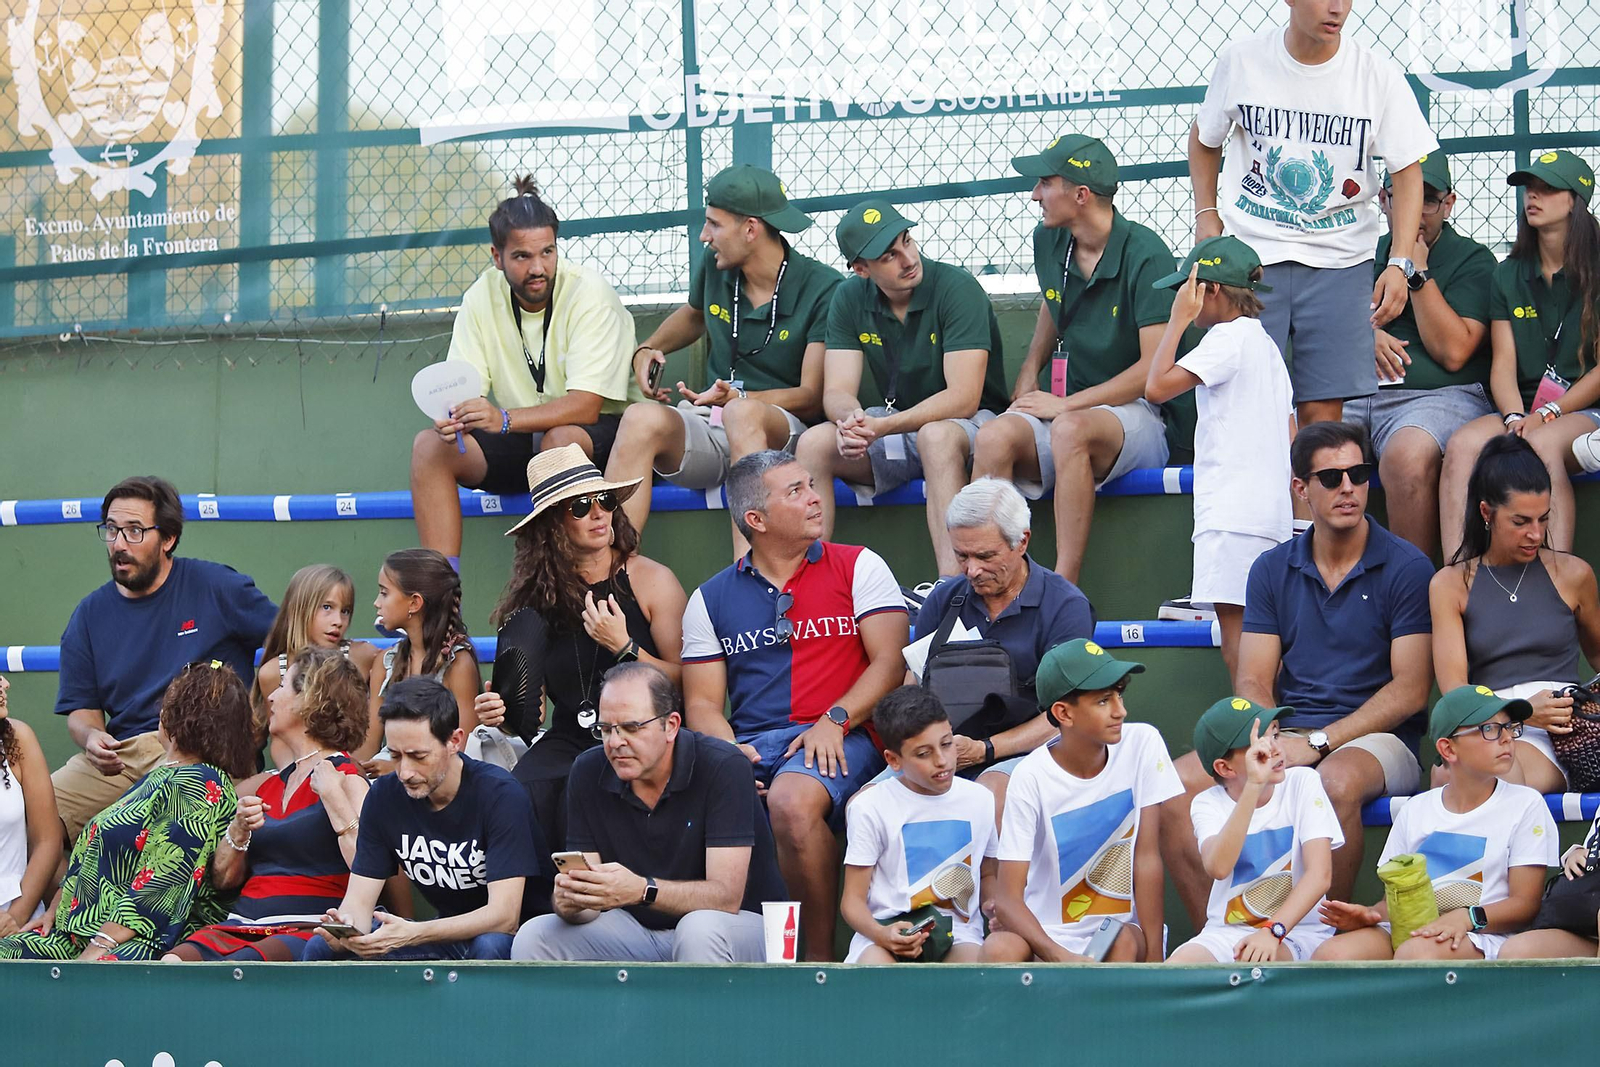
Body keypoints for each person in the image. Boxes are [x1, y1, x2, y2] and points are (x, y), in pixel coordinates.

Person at [1165, 421, 1434, 924]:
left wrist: (1317, 744)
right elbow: (1253, 680)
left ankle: (1317, 938)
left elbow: (1411, 691)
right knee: (1176, 787)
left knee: (1333, 783)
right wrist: (1264, 742)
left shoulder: (1407, 567)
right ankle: (1223, 941)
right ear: (1301, 489)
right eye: (1330, 478)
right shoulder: (1271, 568)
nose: (1348, 487)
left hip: (1379, 738)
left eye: (1358, 474)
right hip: (1289, 729)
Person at [681, 450, 909, 960]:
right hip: (754, 743)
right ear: (756, 521)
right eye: (796, 492)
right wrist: (726, 753)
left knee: (789, 802)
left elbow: (890, 664)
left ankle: (815, 962)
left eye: (811, 484)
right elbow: (700, 704)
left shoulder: (859, 564)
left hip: (846, 731)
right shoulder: (709, 598)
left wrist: (837, 717)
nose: (814, 498)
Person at [1190, 0, 1437, 430]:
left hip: (1340, 261)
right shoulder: (1243, 60)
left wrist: (1400, 260)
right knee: (1246, 412)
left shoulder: (1375, 74)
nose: (1337, 8)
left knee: (1321, 422)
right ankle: (1266, 500)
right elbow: (1204, 137)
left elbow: (1407, 170)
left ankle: (1309, 498)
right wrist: (1206, 214)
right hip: (1251, 258)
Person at [974, 133, 1197, 584]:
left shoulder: (1146, 252)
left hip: (1138, 416)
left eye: (1044, 182)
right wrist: (1028, 373)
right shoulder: (1050, 239)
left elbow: (1154, 368)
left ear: (1080, 195)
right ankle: (991, 579)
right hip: (1067, 409)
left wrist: (1067, 405)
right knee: (994, 437)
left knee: (1071, 430)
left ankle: (1063, 589)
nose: (1035, 193)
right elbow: (1053, 303)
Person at [608, 165, 842, 553]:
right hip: (715, 423)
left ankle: (750, 580)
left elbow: (811, 395)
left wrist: (743, 402)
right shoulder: (717, 267)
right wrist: (648, 346)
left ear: (751, 229)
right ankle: (609, 576)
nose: (704, 236)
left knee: (742, 415)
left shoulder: (824, 288)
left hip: (783, 436)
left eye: (714, 225)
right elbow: (695, 313)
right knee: (639, 418)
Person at [410, 175, 641, 566]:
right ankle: (440, 607)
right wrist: (456, 418)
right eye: (522, 257)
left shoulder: (590, 292)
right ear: (496, 256)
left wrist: (501, 418)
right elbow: (466, 392)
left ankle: (582, 583)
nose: (538, 268)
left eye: (547, 252)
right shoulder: (481, 296)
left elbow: (586, 406)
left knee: (560, 441)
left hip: (595, 435)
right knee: (431, 447)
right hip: (522, 434)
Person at [474, 444, 686, 851]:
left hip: (644, 730)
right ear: (553, 524)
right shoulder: (532, 602)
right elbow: (529, 715)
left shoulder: (649, 579)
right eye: (579, 506)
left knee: (587, 782)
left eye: (604, 501)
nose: (598, 513)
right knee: (518, 792)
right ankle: (536, 909)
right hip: (572, 735)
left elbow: (686, 681)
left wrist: (623, 647)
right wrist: (501, 714)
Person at [511, 664, 786, 963]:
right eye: (605, 730)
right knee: (536, 936)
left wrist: (642, 890)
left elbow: (726, 897)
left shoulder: (724, 766)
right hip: (640, 932)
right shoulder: (587, 770)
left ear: (670, 725)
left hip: (757, 930)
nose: (615, 742)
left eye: (631, 727)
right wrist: (570, 902)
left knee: (698, 930)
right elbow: (590, 902)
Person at [793, 199, 1009, 577]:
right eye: (889, 255)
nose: (908, 258)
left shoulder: (957, 287)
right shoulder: (848, 297)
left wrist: (884, 426)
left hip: (969, 425)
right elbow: (837, 392)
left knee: (935, 436)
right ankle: (813, 585)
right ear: (861, 269)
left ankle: (950, 589)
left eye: (907, 241)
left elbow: (964, 396)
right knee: (814, 443)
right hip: (896, 425)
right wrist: (852, 423)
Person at [53, 475, 277, 840]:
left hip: (203, 753)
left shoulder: (216, 586)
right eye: (111, 530)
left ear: (168, 539)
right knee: (33, 814)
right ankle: (73, 896)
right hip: (123, 757)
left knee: (148, 827)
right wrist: (93, 737)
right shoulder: (89, 615)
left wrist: (259, 716)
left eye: (135, 531)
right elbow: (82, 712)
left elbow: (289, 641)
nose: (119, 544)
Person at [0, 661, 256, 961]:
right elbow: (99, 857)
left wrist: (98, 948)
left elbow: (162, 878)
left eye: (168, 700)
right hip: (74, 935)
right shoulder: (160, 777)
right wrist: (57, 909)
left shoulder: (201, 783)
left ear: (176, 715)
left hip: (131, 946)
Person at [304, 677, 547, 962]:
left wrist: (414, 932)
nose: (405, 771)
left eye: (418, 756)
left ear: (455, 741)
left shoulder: (499, 794)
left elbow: (504, 917)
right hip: (443, 934)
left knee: (489, 946)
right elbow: (358, 901)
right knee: (321, 947)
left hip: (517, 939)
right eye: (395, 755)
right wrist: (346, 932)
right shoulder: (385, 796)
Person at [1144, 236, 1295, 681]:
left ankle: (1253, 737)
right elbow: (1292, 434)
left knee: (1239, 645)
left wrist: (1175, 322)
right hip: (1268, 515)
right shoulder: (1265, 345)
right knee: (1264, 638)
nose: (1181, 298)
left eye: (1186, 290)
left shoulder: (1225, 338)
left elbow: (1156, 387)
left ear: (1209, 290)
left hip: (1231, 515)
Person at [1314, 685, 1555, 961]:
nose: (1507, 739)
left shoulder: (1526, 804)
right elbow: (1395, 903)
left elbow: (1525, 905)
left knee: (1415, 955)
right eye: (1490, 729)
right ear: (1448, 749)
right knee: (1331, 954)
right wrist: (1371, 914)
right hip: (1414, 932)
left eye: (1509, 727)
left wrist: (1465, 919)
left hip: (1481, 935)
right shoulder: (1415, 809)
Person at [1440, 151, 1600, 558]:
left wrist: (1548, 414)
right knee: (1462, 445)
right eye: (1530, 188)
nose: (1533, 196)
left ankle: (1556, 581)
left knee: (1543, 444)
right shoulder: (1507, 272)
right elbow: (1503, 365)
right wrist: (1513, 417)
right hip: (1523, 411)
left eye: (1547, 189)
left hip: (1581, 411)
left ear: (1575, 200)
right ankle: (1461, 576)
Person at [982, 639, 1181, 963]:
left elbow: (1147, 860)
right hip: (1045, 938)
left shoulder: (1143, 742)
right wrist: (1062, 958)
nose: (1121, 710)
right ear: (1063, 713)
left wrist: (1155, 967)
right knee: (998, 949)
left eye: (1119, 694)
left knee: (1125, 942)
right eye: (1104, 701)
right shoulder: (1030, 775)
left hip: (1117, 932)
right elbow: (1007, 900)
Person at [166, 648, 370, 961]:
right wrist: (238, 831)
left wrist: (334, 799)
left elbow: (370, 867)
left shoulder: (346, 774)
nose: (270, 698)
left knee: (241, 969)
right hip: (243, 924)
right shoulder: (270, 786)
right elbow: (223, 881)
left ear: (310, 698)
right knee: (173, 963)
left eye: (282, 687)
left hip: (309, 926)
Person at [1346, 154, 1497, 556]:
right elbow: (1322, 326)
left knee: (1406, 457)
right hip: (1359, 394)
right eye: (1404, 197)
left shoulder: (1472, 258)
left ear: (1448, 204)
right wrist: (1366, 336)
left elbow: (1453, 352)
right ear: (1383, 199)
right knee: (1307, 446)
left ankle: (1413, 601)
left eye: (1428, 200)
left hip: (1440, 397)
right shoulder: (1358, 253)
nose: (1417, 211)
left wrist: (1416, 273)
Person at [1430, 435, 1600, 792]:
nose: (1535, 534)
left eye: (1543, 519)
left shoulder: (1573, 574)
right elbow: (1455, 690)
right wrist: (1518, 710)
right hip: (1486, 724)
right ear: (1486, 513)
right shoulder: (1450, 584)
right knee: (1454, 774)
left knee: (1492, 776)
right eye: (1521, 521)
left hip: (1559, 733)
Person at [911, 477, 1094, 807]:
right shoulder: (942, 600)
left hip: (1031, 750)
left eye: (985, 555)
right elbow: (911, 689)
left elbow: (1069, 714)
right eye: (961, 556)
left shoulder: (1065, 606)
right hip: (943, 751)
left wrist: (985, 749)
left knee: (990, 793)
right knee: (866, 801)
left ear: (1022, 541)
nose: (971, 570)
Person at [1166, 697, 1341, 964]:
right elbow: (1219, 867)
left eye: (1275, 735)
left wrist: (1273, 931)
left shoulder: (1303, 782)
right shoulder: (1207, 802)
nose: (1275, 749)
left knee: (1254, 962)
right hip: (1224, 933)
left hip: (1294, 931)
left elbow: (1320, 875)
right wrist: (1253, 787)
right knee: (1175, 971)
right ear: (1225, 768)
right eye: (1259, 745)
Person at [840, 686, 995, 963]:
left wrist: (995, 906)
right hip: (883, 932)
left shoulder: (980, 799)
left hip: (958, 935)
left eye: (947, 744)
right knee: (875, 969)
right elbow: (852, 902)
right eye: (923, 754)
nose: (941, 760)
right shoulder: (870, 806)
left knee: (972, 972)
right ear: (893, 760)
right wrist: (882, 934)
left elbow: (989, 875)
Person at [359, 548, 480, 767]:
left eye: (384, 593)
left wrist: (397, 770)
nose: (377, 602)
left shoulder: (458, 664)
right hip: (388, 774)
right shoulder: (386, 661)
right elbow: (369, 742)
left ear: (414, 603)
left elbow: (464, 751)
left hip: (441, 777)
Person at [253, 564, 379, 770]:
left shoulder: (363, 656)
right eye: (327, 607)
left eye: (345, 611)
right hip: (296, 770)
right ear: (300, 607)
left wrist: (344, 769)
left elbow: (371, 732)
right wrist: (299, 774)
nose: (338, 621)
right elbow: (280, 741)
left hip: (352, 769)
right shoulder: (273, 672)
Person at [0, 678, 62, 936]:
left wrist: (15, 918)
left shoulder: (17, 738)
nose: (5, 683)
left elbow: (48, 841)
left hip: (18, 923)